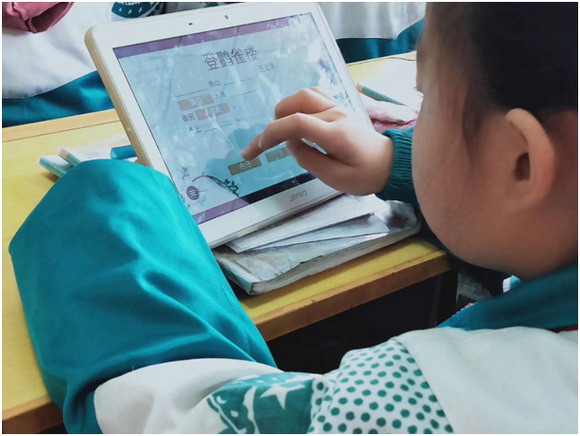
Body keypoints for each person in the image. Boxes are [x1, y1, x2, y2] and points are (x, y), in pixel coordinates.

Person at [9, 2, 577, 433]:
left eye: (425, 105)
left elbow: (180, 416)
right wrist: (393, 163)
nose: (412, 122)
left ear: (522, 161)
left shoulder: (444, 401)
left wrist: (108, 199)